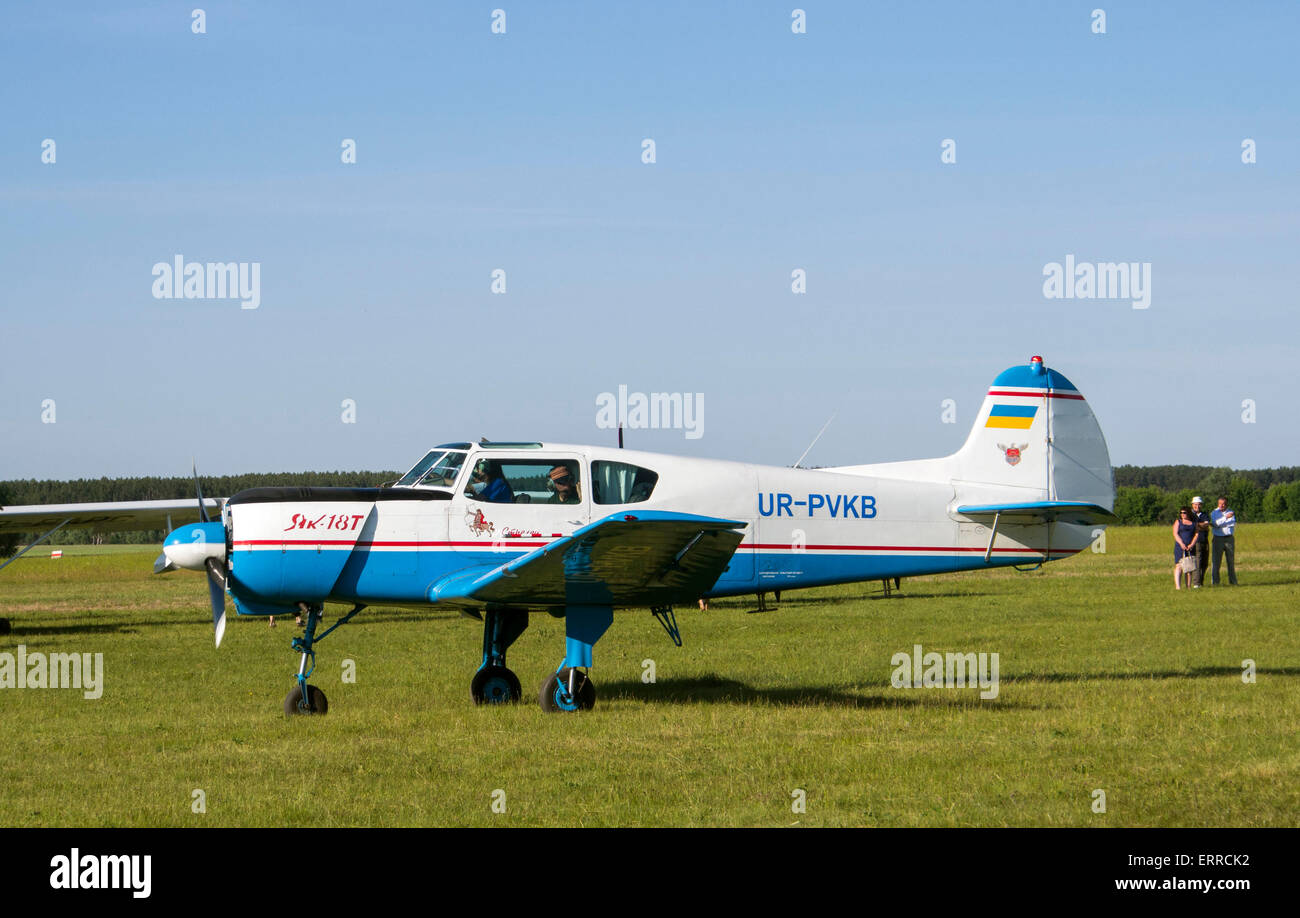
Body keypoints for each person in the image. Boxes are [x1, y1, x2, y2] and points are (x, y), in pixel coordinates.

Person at [1210, 496, 1239, 586]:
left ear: (1227, 504)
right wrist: (1225, 518)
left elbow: (1231, 523)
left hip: (1229, 538)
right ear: (1218, 504)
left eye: (1224, 504)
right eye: (1220, 504)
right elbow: (1215, 524)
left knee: (1230, 561)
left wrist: (1221, 522)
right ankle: (1215, 582)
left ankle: (1233, 582)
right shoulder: (1214, 513)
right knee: (1216, 562)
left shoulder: (1231, 512)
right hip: (1218, 538)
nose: (1222, 505)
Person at [1172, 507, 1199, 590]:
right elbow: (1175, 534)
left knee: (1189, 567)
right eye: (1181, 513)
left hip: (1190, 547)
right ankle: (1178, 587)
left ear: (1188, 513)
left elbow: (1196, 534)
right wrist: (1181, 543)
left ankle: (1188, 586)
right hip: (1180, 547)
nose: (1182, 514)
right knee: (1179, 566)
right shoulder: (1178, 522)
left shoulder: (1194, 523)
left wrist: (1192, 544)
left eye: (1184, 513)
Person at [1190, 497, 1211, 588]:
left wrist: (1197, 525)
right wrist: (1201, 525)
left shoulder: (1204, 514)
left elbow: (1207, 525)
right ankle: (1196, 583)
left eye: (1199, 504)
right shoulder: (1190, 515)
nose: (1197, 506)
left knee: (1205, 563)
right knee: (1197, 562)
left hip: (1204, 540)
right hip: (1196, 541)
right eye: (1195, 504)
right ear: (1192, 505)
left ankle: (1201, 582)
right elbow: (1191, 526)